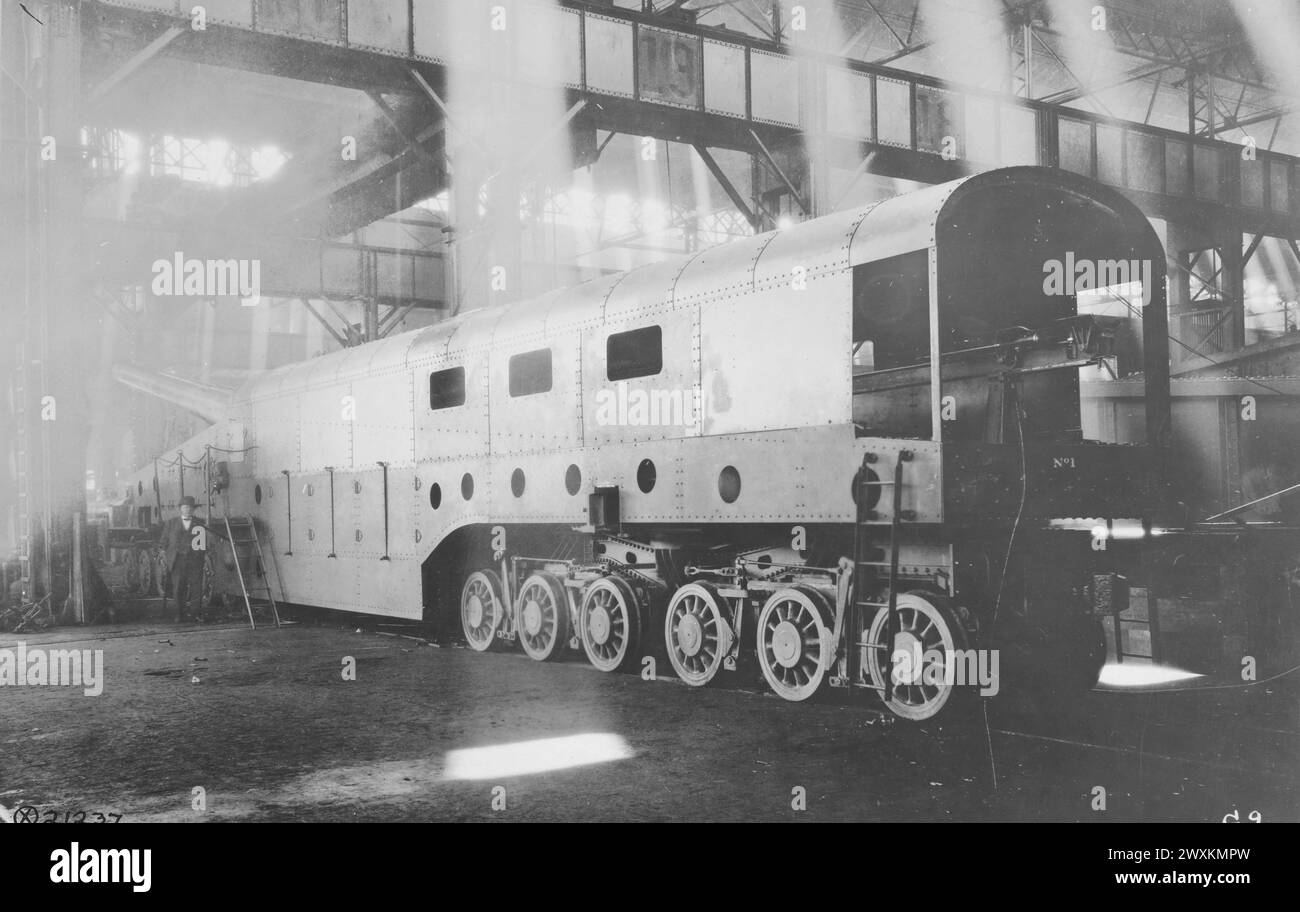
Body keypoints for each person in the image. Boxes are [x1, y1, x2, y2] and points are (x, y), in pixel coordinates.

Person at [160, 496, 208, 622]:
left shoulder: (200, 523)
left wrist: (201, 556)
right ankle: (178, 614)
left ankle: (195, 614)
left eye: (190, 508)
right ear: (180, 509)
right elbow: (163, 542)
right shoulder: (171, 523)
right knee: (178, 588)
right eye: (185, 507)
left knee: (196, 587)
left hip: (195, 560)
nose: (187, 510)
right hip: (177, 560)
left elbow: (204, 543)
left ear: (193, 510)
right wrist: (166, 558)